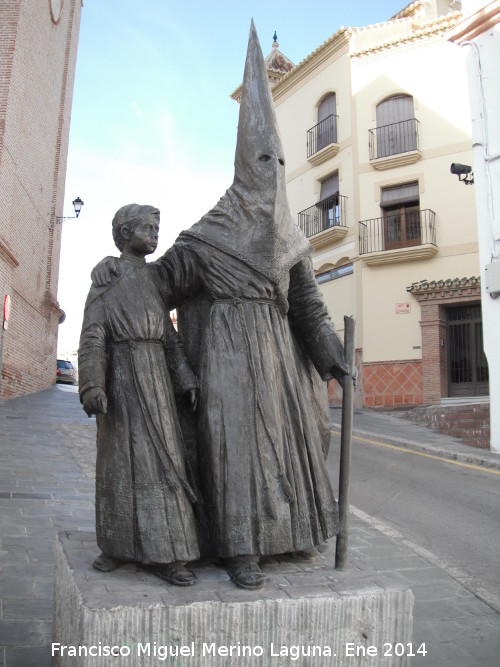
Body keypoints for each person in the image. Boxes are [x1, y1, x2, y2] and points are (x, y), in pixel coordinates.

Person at [92, 23, 350, 591]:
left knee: (284, 444)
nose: (272, 172)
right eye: (262, 160)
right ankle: (239, 548)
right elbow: (159, 283)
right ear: (243, 164)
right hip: (227, 354)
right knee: (236, 445)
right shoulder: (210, 233)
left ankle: (288, 535)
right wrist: (121, 272)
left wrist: (329, 350)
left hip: (279, 356)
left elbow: (307, 302)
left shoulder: (290, 233)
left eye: (277, 162)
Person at [78, 204, 200, 586]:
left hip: (156, 383)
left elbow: (168, 335)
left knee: (165, 466)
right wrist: (93, 385)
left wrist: (184, 378)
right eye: (147, 227)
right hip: (122, 381)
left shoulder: (154, 280)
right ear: (124, 232)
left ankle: (168, 553)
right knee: (119, 462)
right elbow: (93, 335)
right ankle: (117, 546)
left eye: (157, 227)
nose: (154, 233)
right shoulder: (106, 279)